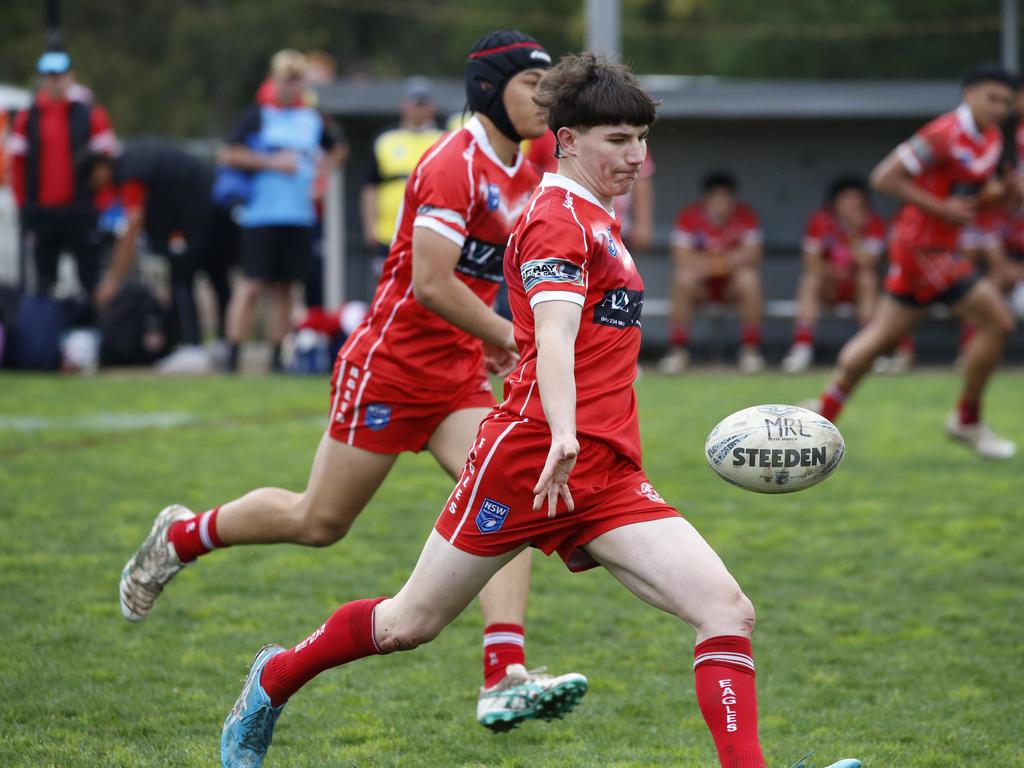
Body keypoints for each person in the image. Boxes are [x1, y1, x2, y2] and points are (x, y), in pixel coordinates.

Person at [216, 51, 862, 768]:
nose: (634, 155)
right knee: (409, 623)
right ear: (569, 140)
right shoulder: (557, 222)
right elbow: (549, 336)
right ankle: (272, 680)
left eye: (641, 139)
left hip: (605, 471)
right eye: (617, 140)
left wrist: (581, 440)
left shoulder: (600, 221)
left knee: (726, 609)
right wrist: (560, 430)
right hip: (528, 456)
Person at [120, 29, 586, 736]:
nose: (545, 102)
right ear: (491, 90)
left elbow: (486, 277)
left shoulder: (526, 172)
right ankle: (184, 535)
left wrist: (491, 338)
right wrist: (511, 338)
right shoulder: (452, 165)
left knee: (509, 500)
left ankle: (504, 675)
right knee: (320, 522)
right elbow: (430, 283)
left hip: (455, 378)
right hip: (389, 369)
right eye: (532, 87)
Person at [810, 64, 1018, 459]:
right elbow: (884, 177)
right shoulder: (942, 134)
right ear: (969, 93)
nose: (999, 108)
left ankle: (825, 413)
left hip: (934, 247)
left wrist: (1004, 194)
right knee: (998, 320)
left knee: (882, 337)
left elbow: (968, 195)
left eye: (1006, 102)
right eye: (992, 98)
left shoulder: (990, 138)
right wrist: (943, 208)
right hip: (924, 247)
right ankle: (967, 420)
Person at [219, 50, 346, 372]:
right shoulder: (258, 114)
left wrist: (321, 177)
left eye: (297, 80)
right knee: (251, 286)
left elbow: (339, 149)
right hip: (260, 215)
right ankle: (233, 353)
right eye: (286, 80)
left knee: (286, 288)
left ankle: (278, 355)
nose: (291, 87)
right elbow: (228, 153)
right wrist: (271, 162)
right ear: (275, 81)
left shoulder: (312, 118)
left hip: (298, 215)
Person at [81, 141, 237, 372]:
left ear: (100, 168)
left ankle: (193, 347)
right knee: (217, 275)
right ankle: (225, 345)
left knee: (181, 276)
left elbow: (133, 222)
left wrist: (113, 279)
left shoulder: (129, 171)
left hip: (195, 215)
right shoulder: (138, 157)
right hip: (213, 208)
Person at [8, 50, 116, 300]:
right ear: (42, 79)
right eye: (49, 76)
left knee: (89, 276)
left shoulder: (91, 114)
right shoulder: (28, 117)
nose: (55, 81)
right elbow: (18, 164)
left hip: (81, 210)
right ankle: (46, 332)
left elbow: (107, 164)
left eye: (59, 75)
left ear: (70, 77)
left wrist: (102, 204)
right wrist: (23, 204)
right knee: (45, 280)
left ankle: (94, 330)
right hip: (43, 213)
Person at [659, 172, 765, 374]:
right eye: (715, 197)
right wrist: (723, 262)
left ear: (733, 199)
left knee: (749, 279)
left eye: (726, 197)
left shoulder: (745, 215)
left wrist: (715, 264)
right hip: (702, 285)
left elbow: (753, 255)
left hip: (730, 286)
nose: (721, 202)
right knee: (683, 278)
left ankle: (750, 350)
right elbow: (681, 257)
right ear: (706, 199)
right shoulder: (690, 215)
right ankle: (677, 351)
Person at [781, 177, 888, 373]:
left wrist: (855, 232)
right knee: (810, 279)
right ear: (835, 202)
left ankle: (870, 352)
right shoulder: (820, 220)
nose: (851, 205)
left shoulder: (873, 223)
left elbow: (869, 262)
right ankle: (802, 348)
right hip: (828, 284)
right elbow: (810, 260)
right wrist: (831, 270)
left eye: (857, 200)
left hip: (856, 286)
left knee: (868, 278)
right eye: (846, 199)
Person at [360, 77, 445, 276]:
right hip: (388, 233)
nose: (418, 109)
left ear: (431, 107)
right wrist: (369, 225)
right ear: (404, 106)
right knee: (389, 285)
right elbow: (370, 186)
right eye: (415, 104)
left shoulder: (444, 139)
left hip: (433, 231)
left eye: (423, 104)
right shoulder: (385, 140)